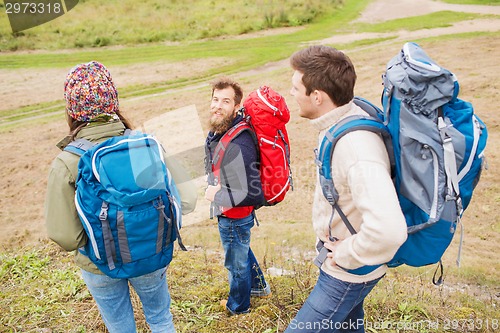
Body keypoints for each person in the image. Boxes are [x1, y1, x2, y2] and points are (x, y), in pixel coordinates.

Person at [45, 61, 197, 333]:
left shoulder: (67, 161)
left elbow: (65, 235)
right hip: (151, 254)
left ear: (72, 108)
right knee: (161, 319)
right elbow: (187, 200)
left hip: (99, 264)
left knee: (120, 327)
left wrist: (99, 242)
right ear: (113, 100)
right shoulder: (146, 144)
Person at [285, 46, 407, 332]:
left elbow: (390, 231)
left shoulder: (355, 149)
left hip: (348, 272)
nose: (291, 94)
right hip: (353, 265)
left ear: (317, 96)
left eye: (295, 87)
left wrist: (345, 255)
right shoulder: (344, 119)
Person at [204, 77, 271, 315]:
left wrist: (216, 194)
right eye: (215, 99)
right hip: (233, 215)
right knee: (241, 249)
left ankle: (238, 306)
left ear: (236, 106)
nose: (218, 106)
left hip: (234, 215)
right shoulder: (224, 130)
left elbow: (252, 194)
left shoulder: (239, 142)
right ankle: (259, 287)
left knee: (235, 264)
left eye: (225, 101)